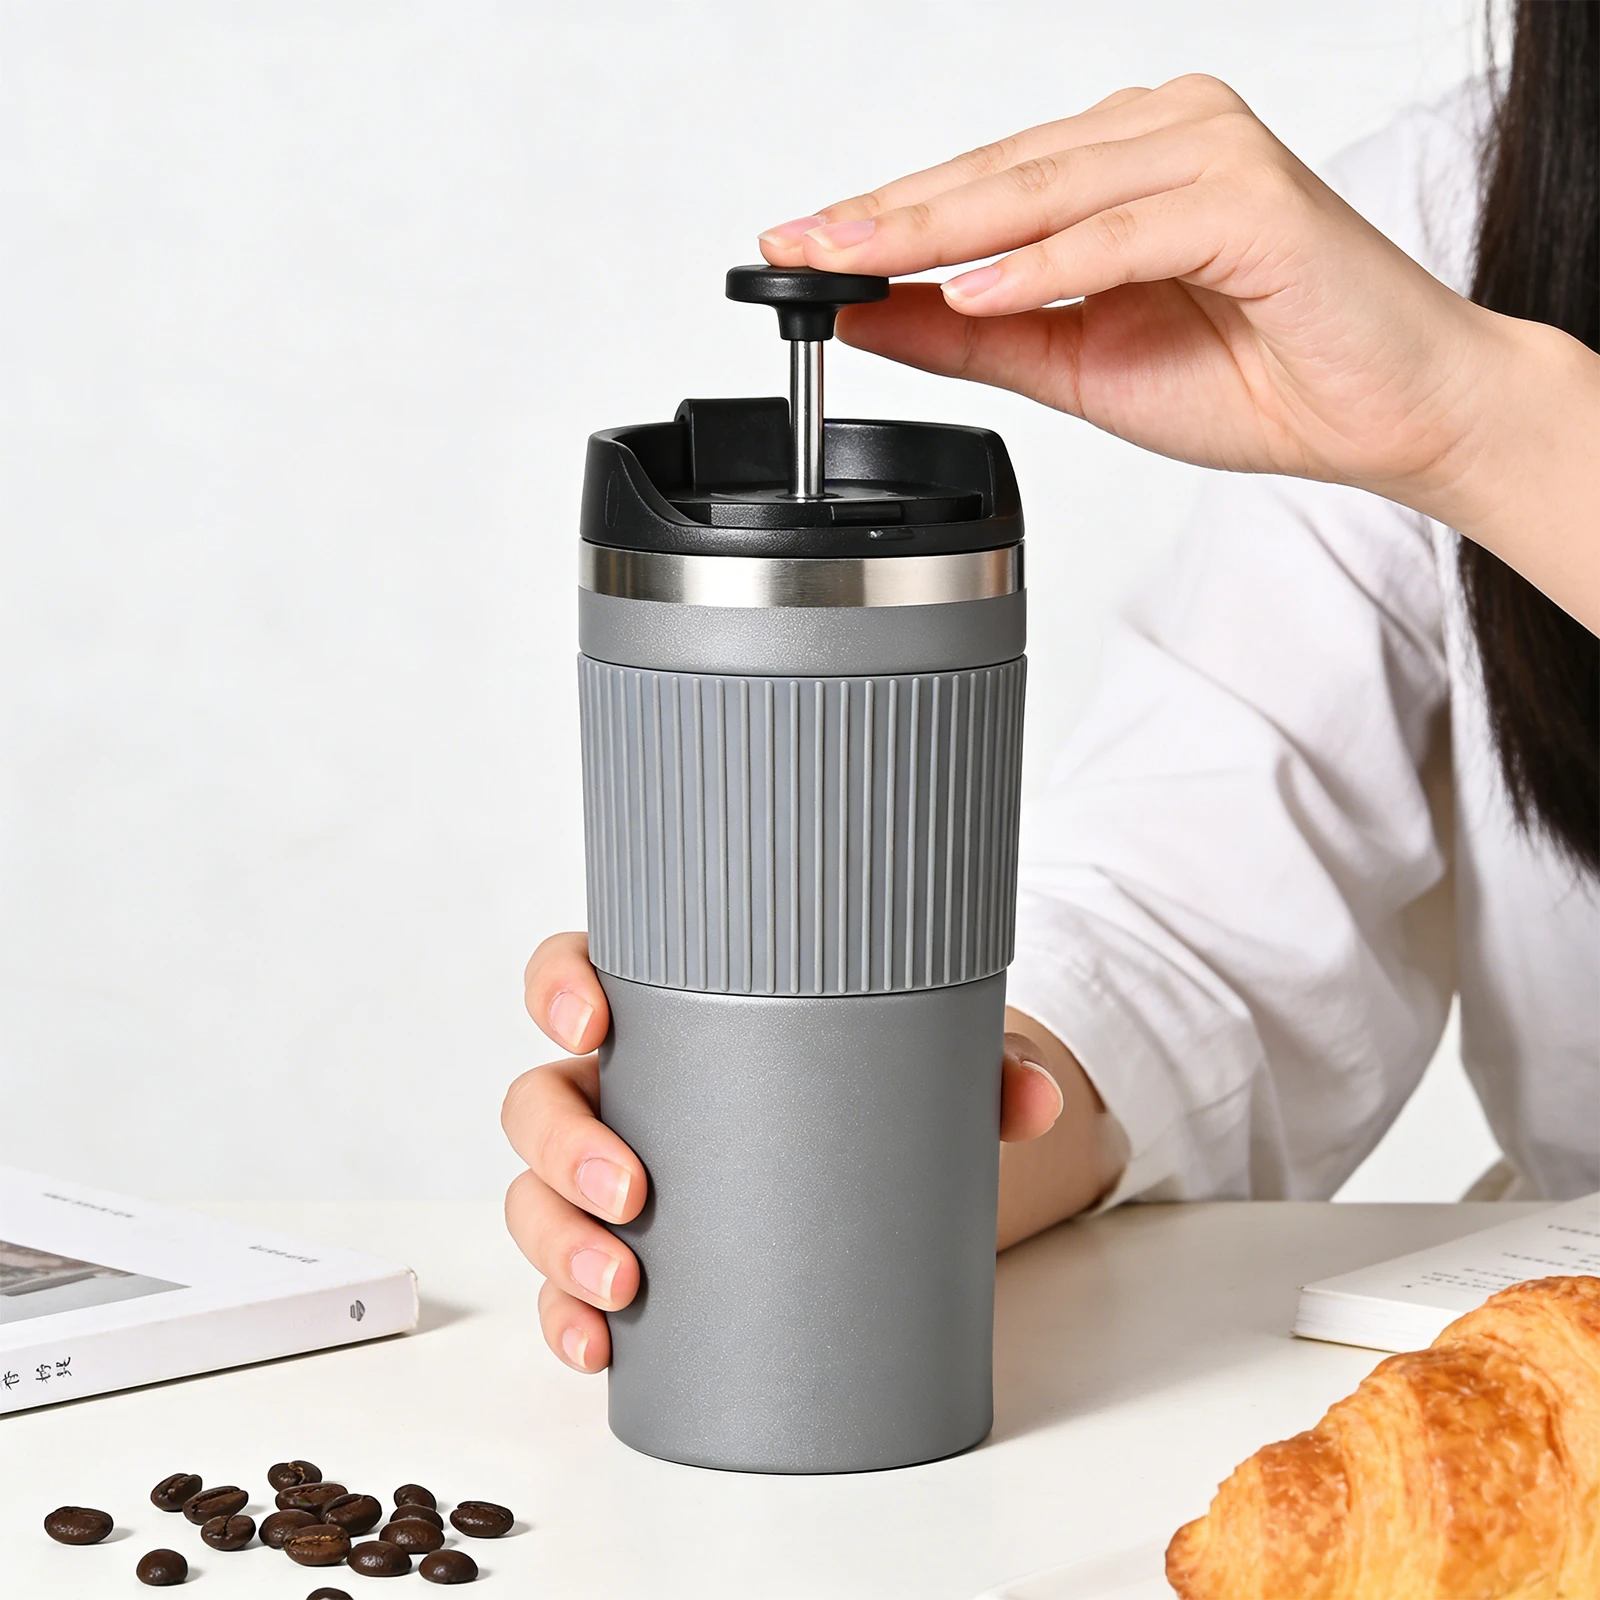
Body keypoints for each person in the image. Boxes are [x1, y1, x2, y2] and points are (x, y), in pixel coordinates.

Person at [504, 1, 1599, 1375]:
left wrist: (1495, 429)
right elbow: (1200, 919)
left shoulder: (1444, 342)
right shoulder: (1461, 216)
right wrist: (886, 1119)